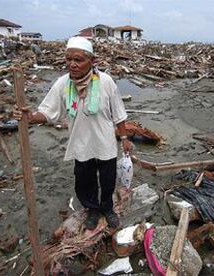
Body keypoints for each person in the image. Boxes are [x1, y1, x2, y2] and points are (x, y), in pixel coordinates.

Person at [13, 37, 132, 230]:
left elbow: (119, 112)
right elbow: (48, 111)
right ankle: (92, 210)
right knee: (84, 181)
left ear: (92, 61)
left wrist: (124, 137)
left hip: (105, 143)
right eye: (68, 59)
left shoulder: (106, 82)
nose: (72, 64)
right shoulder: (63, 84)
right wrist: (31, 117)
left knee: (108, 180)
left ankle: (108, 209)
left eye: (78, 60)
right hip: (81, 143)